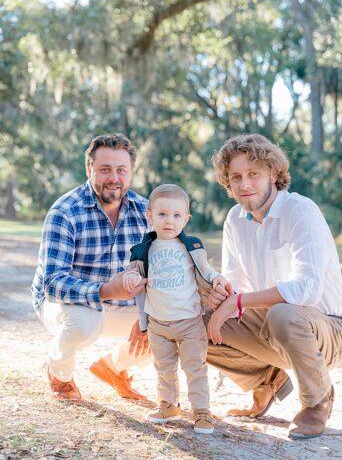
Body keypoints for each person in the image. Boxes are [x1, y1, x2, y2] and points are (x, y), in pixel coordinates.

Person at [205, 133, 342, 439]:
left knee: (283, 313)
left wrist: (238, 302)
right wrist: (222, 294)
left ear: (275, 175)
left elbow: (305, 289)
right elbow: (236, 285)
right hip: (272, 325)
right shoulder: (235, 220)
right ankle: (266, 380)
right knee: (196, 317)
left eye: (254, 174)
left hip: (328, 329)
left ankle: (317, 401)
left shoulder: (300, 210)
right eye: (236, 177)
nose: (244, 184)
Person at [32, 133, 151, 403]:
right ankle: (59, 373)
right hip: (66, 305)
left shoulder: (147, 213)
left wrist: (148, 313)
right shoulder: (65, 211)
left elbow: (163, 273)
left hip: (123, 306)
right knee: (84, 322)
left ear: (131, 172)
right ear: (89, 169)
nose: (114, 178)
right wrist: (105, 290)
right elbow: (52, 282)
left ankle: (114, 367)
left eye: (121, 170)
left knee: (175, 319)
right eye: (105, 169)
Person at [124, 183, 227, 434]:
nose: (169, 221)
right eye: (162, 214)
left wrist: (217, 279)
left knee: (195, 367)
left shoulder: (191, 246)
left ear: (186, 218)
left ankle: (202, 411)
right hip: (158, 323)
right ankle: (169, 405)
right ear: (150, 215)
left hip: (189, 321)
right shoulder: (142, 249)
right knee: (164, 367)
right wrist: (129, 278)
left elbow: (206, 269)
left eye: (176, 215)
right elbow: (132, 274)